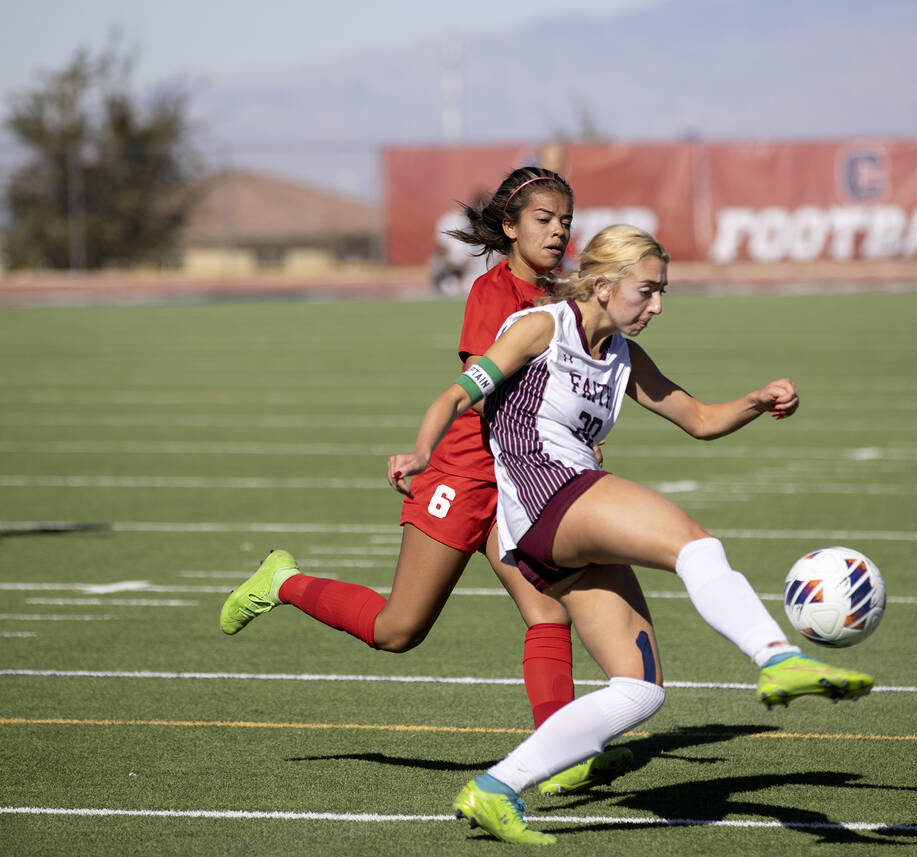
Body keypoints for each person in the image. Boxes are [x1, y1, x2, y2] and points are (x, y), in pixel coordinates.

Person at [387, 225, 874, 845]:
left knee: (639, 691)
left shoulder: (622, 354)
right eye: (647, 291)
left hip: (559, 521)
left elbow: (697, 419)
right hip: (547, 496)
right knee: (694, 543)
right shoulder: (542, 328)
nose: (657, 306)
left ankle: (496, 788)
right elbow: (456, 395)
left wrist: (757, 401)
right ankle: (776, 658)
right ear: (602, 284)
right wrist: (421, 453)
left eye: (662, 292)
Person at [219, 167, 633, 796]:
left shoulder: (558, 296)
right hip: (466, 477)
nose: (557, 232)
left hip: (516, 482)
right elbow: (487, 392)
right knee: (399, 631)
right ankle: (282, 580)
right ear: (510, 226)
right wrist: (424, 449)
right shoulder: (495, 295)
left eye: (566, 222)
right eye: (544, 220)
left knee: (547, 613)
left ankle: (559, 751)